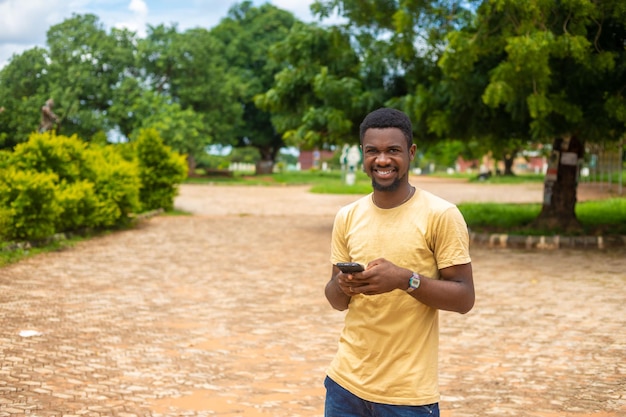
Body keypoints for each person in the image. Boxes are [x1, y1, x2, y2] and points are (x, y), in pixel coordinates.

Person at [324, 108, 475, 417]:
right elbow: (335, 300)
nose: (382, 160)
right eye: (373, 151)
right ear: (363, 155)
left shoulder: (441, 215)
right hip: (344, 386)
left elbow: (464, 297)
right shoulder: (347, 217)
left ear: (411, 152)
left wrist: (406, 280)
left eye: (393, 150)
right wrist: (344, 285)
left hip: (407, 396)